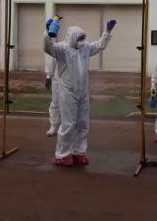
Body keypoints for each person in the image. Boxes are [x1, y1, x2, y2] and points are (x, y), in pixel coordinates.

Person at [44, 18, 117, 166]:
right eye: (79, 38)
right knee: (69, 124)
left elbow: (100, 45)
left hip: (83, 92)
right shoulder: (61, 49)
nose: (82, 41)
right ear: (72, 38)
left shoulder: (85, 48)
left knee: (83, 124)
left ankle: (79, 152)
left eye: (83, 38)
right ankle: (62, 155)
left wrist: (107, 32)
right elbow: (48, 48)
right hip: (68, 93)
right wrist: (48, 33)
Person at [45, 54, 60, 137]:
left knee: (72, 105)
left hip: (73, 83)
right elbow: (51, 60)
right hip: (58, 81)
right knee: (55, 103)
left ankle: (71, 128)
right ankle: (53, 127)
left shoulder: (81, 48)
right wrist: (48, 76)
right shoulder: (60, 47)